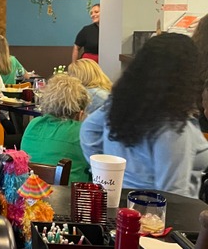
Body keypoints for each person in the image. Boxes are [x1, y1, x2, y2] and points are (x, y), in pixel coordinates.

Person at [81, 33, 208, 198]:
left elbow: (88, 130)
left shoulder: (120, 106)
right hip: (155, 214)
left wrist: (106, 173)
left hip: (120, 202)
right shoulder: (172, 127)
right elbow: (174, 196)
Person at [20, 75, 91, 183]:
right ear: (80, 112)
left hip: (30, 192)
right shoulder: (82, 132)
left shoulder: (33, 124)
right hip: (69, 196)